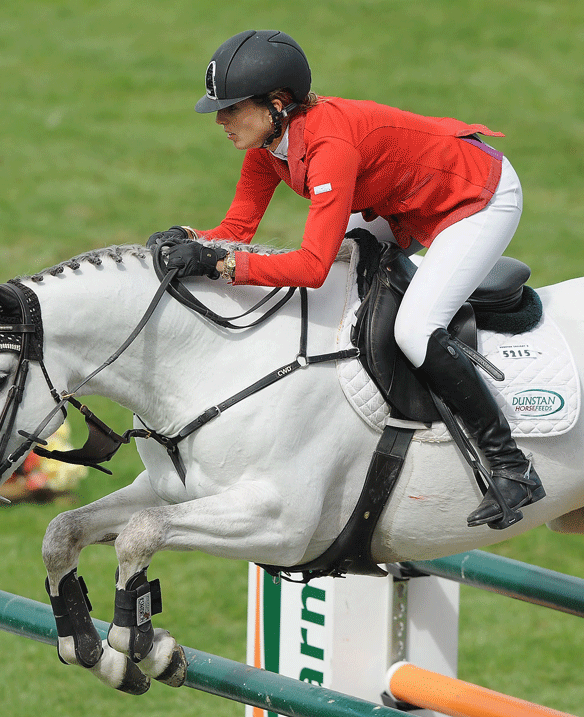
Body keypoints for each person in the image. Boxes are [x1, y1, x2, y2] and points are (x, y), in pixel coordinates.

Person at [146, 29, 544, 528]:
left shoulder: (330, 145)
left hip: (475, 198)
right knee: (344, 287)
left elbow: (309, 266)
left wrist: (222, 265)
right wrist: (191, 239)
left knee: (415, 329)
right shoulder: (268, 144)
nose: (221, 120)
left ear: (277, 104)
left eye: (232, 108)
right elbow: (235, 231)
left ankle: (512, 468)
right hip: (403, 201)